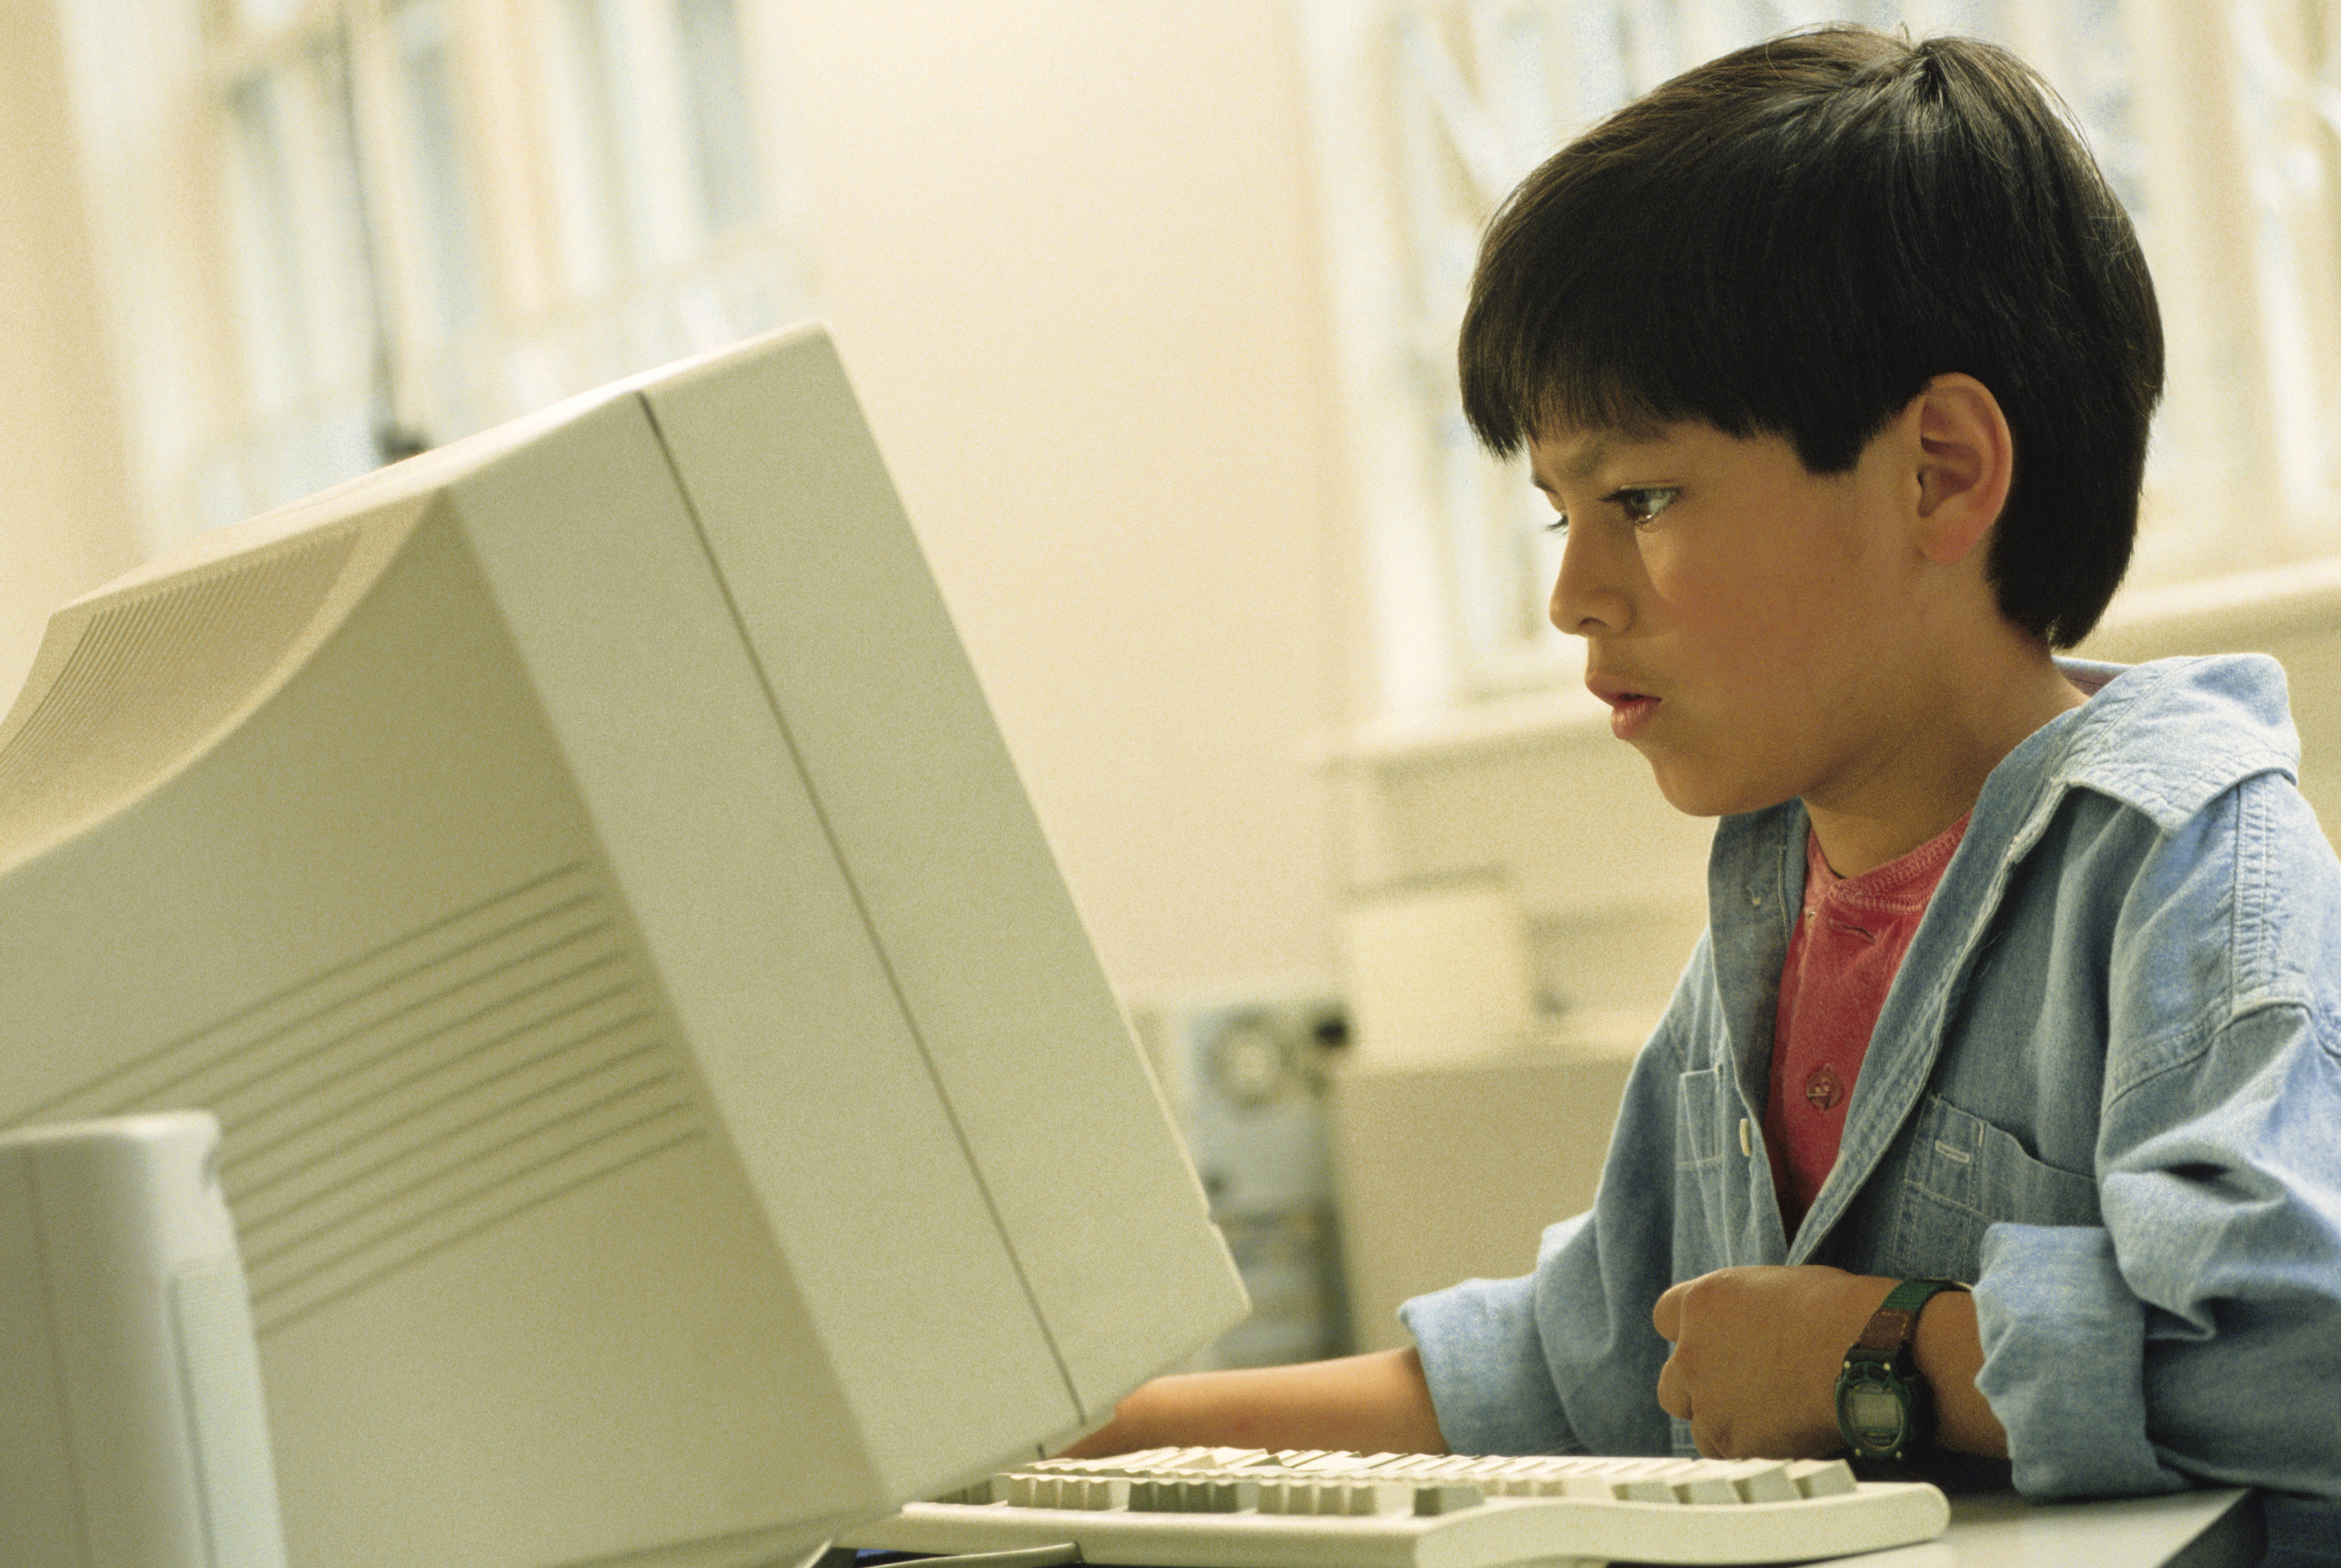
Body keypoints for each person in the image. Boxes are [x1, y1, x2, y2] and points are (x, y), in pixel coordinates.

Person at [1065, 24, 2341, 1504]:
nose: (1575, 596)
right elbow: (1581, 1368)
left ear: (1939, 471)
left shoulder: (2184, 858)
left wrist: (1880, 1353)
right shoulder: (1766, 915)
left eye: (1644, 493)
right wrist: (1100, 1427)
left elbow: (2299, 1355)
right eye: (1561, 514)